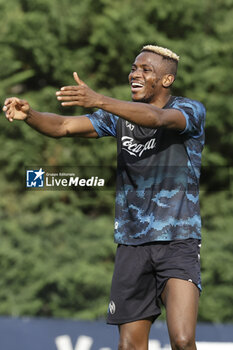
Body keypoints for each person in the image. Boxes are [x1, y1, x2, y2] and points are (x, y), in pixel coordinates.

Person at [3, 45, 206, 350]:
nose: (135, 74)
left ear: (166, 80)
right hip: (131, 244)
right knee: (129, 346)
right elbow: (63, 126)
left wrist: (99, 99)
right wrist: (30, 115)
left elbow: (159, 119)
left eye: (145, 70)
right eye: (134, 68)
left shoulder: (189, 111)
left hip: (178, 242)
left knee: (181, 339)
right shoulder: (118, 118)